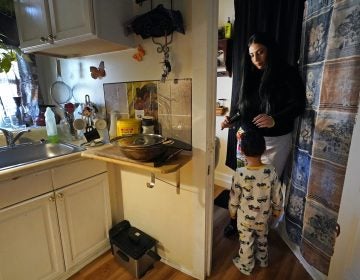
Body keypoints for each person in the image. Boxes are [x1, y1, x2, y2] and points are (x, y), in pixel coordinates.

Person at [221, 32, 306, 237]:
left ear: (270, 51)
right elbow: (244, 109)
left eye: (260, 52)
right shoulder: (250, 74)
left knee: (264, 187)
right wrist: (231, 120)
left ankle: (259, 225)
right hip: (248, 139)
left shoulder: (287, 73)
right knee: (241, 183)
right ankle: (235, 220)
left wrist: (275, 119)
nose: (256, 59)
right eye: (252, 55)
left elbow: (298, 105)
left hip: (275, 141)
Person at [228, 130, 283, 275]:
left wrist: (232, 212)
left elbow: (234, 197)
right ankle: (263, 260)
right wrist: (277, 210)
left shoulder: (239, 173)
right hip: (264, 216)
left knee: (246, 241)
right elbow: (277, 194)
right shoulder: (271, 171)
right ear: (264, 149)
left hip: (245, 218)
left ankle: (246, 265)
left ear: (243, 150)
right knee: (262, 237)